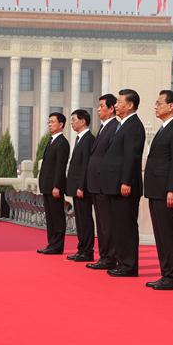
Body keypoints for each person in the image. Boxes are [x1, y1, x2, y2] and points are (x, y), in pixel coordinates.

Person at [143, 90, 173, 290]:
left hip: (166, 190)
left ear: (171, 106)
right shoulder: (164, 128)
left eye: (159, 103)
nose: (155, 106)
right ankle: (166, 273)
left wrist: (172, 189)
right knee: (160, 234)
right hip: (155, 189)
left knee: (169, 233)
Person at [101, 89, 145, 277]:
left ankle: (129, 265)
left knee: (126, 225)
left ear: (130, 105)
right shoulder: (123, 125)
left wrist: (126, 181)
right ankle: (122, 262)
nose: (116, 105)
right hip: (114, 184)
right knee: (118, 225)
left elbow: (131, 157)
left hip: (125, 186)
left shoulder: (134, 126)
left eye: (119, 102)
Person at [84, 94, 119, 270]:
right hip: (96, 184)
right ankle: (104, 255)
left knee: (107, 223)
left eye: (101, 106)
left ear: (111, 108)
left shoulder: (114, 127)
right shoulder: (104, 127)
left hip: (104, 183)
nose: (98, 109)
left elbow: (110, 158)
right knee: (102, 222)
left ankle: (110, 257)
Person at [37, 112, 70, 254]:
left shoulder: (62, 142)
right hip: (46, 185)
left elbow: (60, 167)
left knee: (57, 217)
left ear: (61, 124)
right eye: (49, 122)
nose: (50, 124)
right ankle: (51, 243)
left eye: (52, 122)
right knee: (50, 217)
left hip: (54, 187)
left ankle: (57, 245)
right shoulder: (51, 141)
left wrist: (57, 185)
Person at [65, 109, 95, 262]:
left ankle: (87, 250)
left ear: (83, 121)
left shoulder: (89, 139)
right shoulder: (79, 139)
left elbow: (86, 165)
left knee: (85, 219)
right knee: (80, 219)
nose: (71, 123)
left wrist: (82, 186)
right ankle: (81, 248)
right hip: (76, 187)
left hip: (82, 188)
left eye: (74, 120)